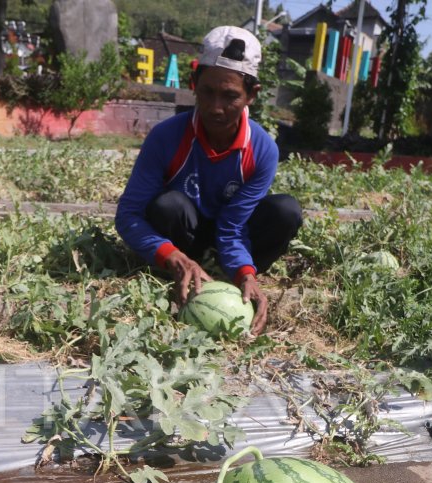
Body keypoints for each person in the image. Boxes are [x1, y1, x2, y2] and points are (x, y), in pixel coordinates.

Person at [115, 26, 303, 336]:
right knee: (167, 205)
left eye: (230, 96)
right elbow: (128, 215)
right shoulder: (167, 137)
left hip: (228, 233)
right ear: (194, 84)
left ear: (251, 95)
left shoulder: (262, 149)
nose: (215, 107)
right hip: (184, 234)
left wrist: (245, 272)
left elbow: (232, 226)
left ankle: (237, 278)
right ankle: (183, 268)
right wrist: (170, 254)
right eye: (207, 92)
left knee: (286, 211)